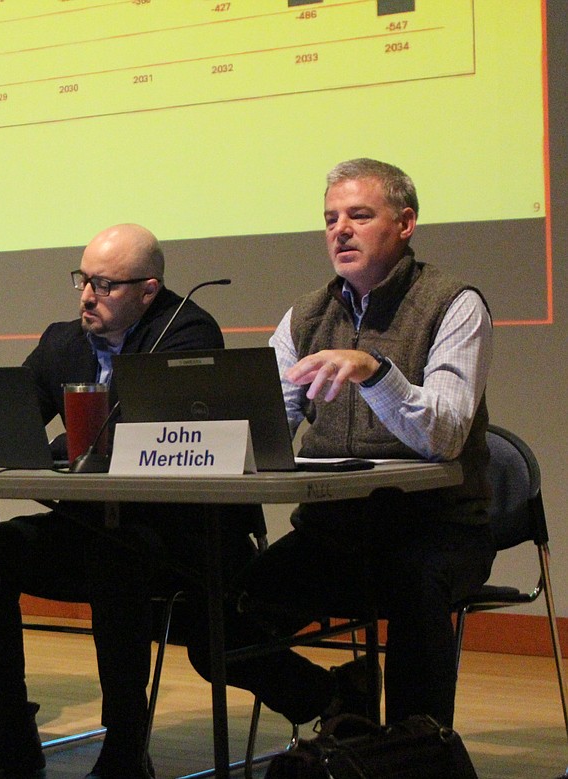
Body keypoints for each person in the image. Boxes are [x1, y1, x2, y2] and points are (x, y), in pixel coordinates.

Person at [0, 224, 259, 779]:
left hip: (174, 531)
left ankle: (126, 746)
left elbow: (139, 435)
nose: (86, 296)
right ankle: (9, 728)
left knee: (117, 555)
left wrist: (58, 446)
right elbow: (15, 420)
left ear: (148, 291)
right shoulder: (64, 341)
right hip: (89, 523)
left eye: (104, 286)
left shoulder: (186, 332)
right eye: (83, 280)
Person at [208, 158, 495, 730]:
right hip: (334, 532)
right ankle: (334, 703)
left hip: (436, 528)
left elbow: (446, 435)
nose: (340, 229)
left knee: (415, 591)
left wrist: (374, 371)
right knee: (216, 623)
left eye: (359, 216)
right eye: (331, 218)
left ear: (405, 223)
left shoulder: (453, 303)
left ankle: (415, 752)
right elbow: (272, 426)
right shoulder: (306, 315)